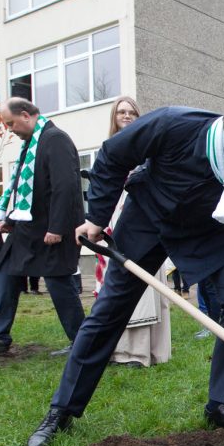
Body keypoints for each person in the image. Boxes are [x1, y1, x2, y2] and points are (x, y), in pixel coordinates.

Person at [25, 92, 224, 446]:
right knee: (109, 312)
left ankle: (222, 404)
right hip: (148, 219)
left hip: (210, 231)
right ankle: (61, 410)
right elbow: (113, 156)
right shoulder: (173, 125)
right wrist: (97, 217)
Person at [0, 98, 85, 356]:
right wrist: (10, 220)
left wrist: (57, 228)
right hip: (27, 229)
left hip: (51, 230)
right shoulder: (32, 143)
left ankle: (83, 342)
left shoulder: (55, 139)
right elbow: (29, 190)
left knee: (59, 282)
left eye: (10, 123)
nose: (10, 129)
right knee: (4, 269)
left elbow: (66, 187)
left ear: (26, 115)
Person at [93, 95, 172, 367]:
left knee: (144, 288)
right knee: (114, 288)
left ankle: (140, 352)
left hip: (144, 224)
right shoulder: (108, 152)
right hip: (113, 224)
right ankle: (118, 350)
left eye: (132, 113)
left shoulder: (149, 152)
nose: (126, 116)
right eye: (121, 112)